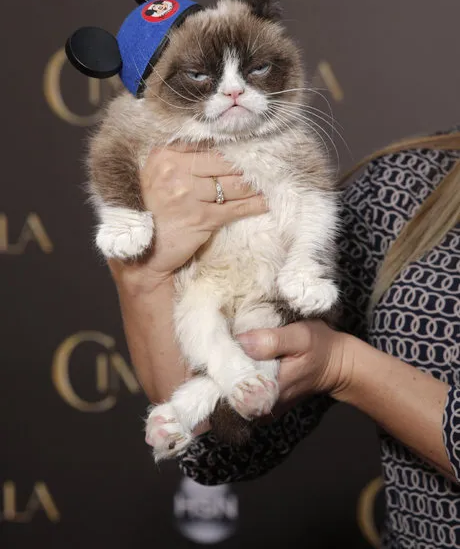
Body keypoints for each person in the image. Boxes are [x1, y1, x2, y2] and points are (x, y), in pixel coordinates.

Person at [109, 127, 460, 548]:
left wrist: (343, 366)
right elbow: (217, 448)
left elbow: (329, 361)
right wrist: (144, 275)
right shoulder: (403, 183)